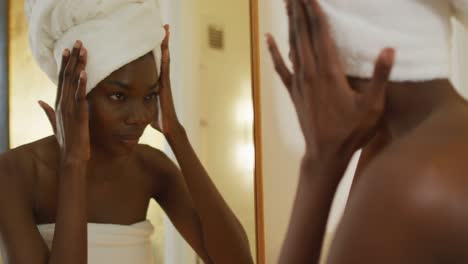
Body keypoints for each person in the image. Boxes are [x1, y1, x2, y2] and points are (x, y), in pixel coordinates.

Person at [0, 1, 253, 263]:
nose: (140, 117)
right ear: (74, 91)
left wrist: (176, 134)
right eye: (119, 95)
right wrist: (73, 165)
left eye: (149, 95)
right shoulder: (14, 173)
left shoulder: (152, 169)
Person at [267, 0, 468, 263]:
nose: (294, 61)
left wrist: (317, 170)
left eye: (297, 30)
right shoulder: (404, 150)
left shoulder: (409, 185)